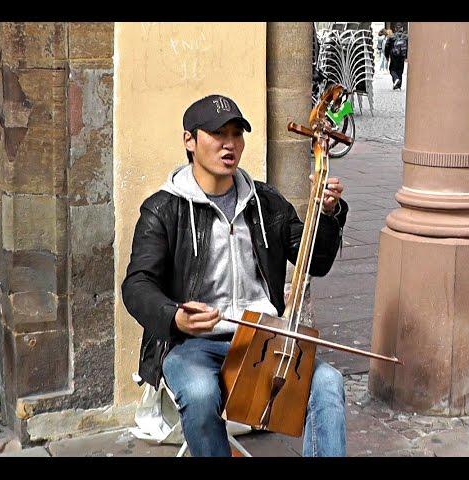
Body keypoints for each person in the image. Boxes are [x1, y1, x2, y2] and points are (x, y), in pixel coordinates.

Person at [122, 94, 349, 457]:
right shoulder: (163, 209)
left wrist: (328, 213)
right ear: (190, 141)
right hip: (191, 344)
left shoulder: (266, 203)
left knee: (327, 382)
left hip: (261, 340)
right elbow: (137, 285)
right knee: (199, 392)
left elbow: (314, 262)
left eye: (236, 134)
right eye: (217, 134)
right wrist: (176, 317)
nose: (230, 144)